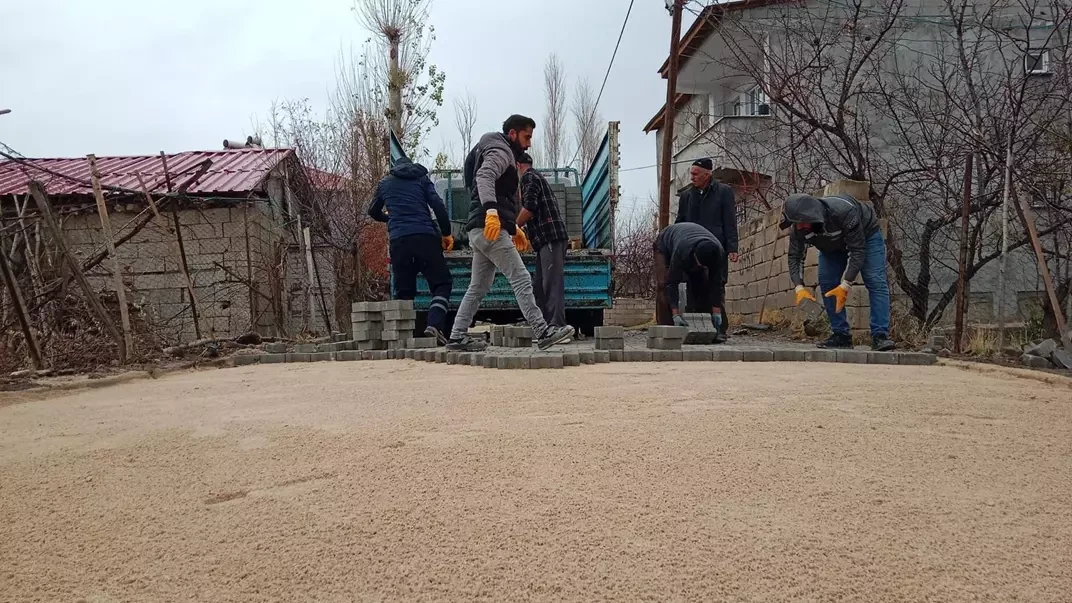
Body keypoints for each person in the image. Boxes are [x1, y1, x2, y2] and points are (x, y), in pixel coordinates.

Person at [445, 115, 575, 352]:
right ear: (513, 133)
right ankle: (543, 331)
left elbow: (490, 188)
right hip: (490, 228)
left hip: (481, 229)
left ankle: (457, 336)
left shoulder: (492, 148)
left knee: (478, 287)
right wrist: (491, 212)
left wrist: (513, 228)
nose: (529, 144)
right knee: (521, 278)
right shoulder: (501, 151)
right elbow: (484, 176)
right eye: (526, 137)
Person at [782, 192, 896, 351]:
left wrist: (846, 284)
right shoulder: (798, 229)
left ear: (812, 216)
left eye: (802, 223)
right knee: (827, 283)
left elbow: (858, 251)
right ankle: (841, 335)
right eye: (796, 223)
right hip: (831, 246)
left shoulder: (844, 211)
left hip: (866, 236)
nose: (799, 227)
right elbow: (794, 257)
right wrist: (799, 287)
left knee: (875, 280)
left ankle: (880, 336)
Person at [368, 157, 454, 344]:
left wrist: (390, 218)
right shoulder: (421, 179)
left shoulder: (384, 183)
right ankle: (434, 324)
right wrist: (446, 233)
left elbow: (372, 211)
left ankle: (403, 339)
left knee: (404, 292)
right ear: (411, 166)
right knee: (442, 283)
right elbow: (438, 205)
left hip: (399, 242)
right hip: (425, 238)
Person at [675, 158, 738, 342]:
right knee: (693, 288)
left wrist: (732, 247)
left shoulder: (724, 192)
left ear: (707, 174)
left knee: (716, 287)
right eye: (691, 173)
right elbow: (680, 223)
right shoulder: (686, 196)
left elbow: (730, 221)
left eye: (695, 174)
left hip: (716, 249)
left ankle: (719, 329)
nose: (692, 177)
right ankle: (696, 330)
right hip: (692, 250)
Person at [516, 152, 570, 332]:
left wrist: (514, 228)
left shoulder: (529, 177)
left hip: (551, 237)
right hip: (545, 240)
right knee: (540, 285)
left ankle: (557, 325)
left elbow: (529, 208)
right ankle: (543, 326)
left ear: (517, 165)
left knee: (552, 284)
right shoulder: (537, 177)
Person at [656, 222, 726, 331]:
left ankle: (709, 328)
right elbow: (672, 283)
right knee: (663, 284)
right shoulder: (681, 249)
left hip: (692, 239)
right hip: (664, 244)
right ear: (694, 255)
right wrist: (676, 314)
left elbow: (716, 284)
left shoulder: (718, 252)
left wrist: (717, 312)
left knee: (702, 283)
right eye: (700, 265)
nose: (701, 267)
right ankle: (667, 328)